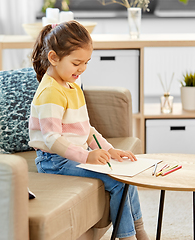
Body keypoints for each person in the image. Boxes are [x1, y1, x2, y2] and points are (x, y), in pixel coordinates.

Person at [29, 20, 150, 240]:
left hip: (72, 157)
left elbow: (86, 129)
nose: (82, 69)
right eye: (77, 63)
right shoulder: (50, 93)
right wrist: (87, 156)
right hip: (54, 162)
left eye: (86, 62)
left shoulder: (72, 85)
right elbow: (52, 139)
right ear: (54, 58)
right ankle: (127, 236)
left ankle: (139, 229)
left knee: (125, 175)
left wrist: (108, 150)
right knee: (117, 181)